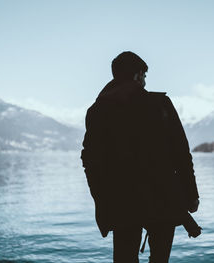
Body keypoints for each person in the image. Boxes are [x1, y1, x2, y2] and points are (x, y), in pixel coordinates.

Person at [81, 51, 200, 263]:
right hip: (162, 198)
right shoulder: (160, 105)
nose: (145, 82)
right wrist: (191, 195)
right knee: (160, 259)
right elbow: (181, 154)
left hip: (121, 202)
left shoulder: (98, 110)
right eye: (144, 76)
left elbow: (90, 161)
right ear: (138, 75)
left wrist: (102, 199)